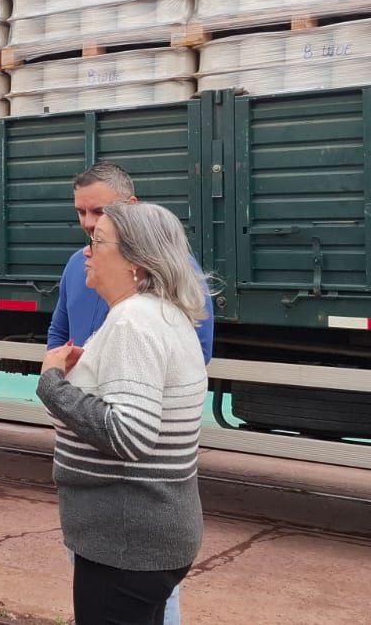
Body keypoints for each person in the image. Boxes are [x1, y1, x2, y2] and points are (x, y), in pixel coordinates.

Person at [47, 162, 213, 624]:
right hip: (133, 532)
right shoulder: (157, 311)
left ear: (134, 259)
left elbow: (130, 435)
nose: (87, 248)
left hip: (127, 537)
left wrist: (54, 386)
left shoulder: (133, 322)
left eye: (99, 240)